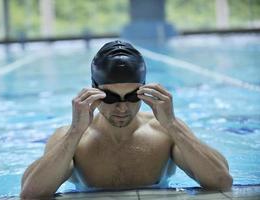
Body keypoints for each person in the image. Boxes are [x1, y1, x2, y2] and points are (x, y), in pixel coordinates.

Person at [20, 40, 233, 199]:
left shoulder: (165, 132)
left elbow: (221, 182)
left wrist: (173, 124)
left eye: (132, 96)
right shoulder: (74, 139)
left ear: (145, 90)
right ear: (93, 92)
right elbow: (30, 194)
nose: (122, 107)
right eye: (111, 97)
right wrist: (75, 131)